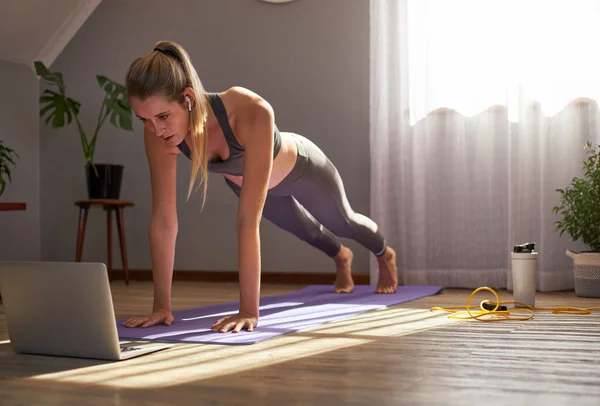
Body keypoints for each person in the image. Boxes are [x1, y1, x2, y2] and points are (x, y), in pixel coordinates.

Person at [120, 40, 398, 334]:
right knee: (306, 231)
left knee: (344, 223)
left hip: (303, 168)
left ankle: (385, 255)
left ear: (188, 98)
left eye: (162, 116)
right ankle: (342, 257)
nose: (156, 129)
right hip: (254, 186)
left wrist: (249, 311)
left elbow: (246, 223)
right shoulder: (158, 134)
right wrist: (162, 307)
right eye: (145, 120)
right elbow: (164, 221)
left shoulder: (247, 110)